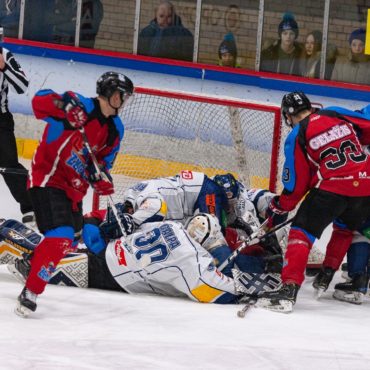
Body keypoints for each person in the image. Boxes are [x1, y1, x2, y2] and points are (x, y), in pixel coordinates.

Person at [14, 71, 134, 317]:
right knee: (60, 237)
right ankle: (30, 292)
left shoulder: (115, 129)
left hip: (73, 189)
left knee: (72, 239)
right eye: (122, 95)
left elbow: (101, 165)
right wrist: (64, 106)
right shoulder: (79, 103)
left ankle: (30, 264)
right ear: (109, 94)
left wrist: (102, 179)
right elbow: (39, 102)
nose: (124, 100)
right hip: (48, 177)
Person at [4, 214, 282, 305]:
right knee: (31, 261)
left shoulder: (172, 226)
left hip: (102, 254)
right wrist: (247, 291)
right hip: (103, 275)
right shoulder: (190, 258)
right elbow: (210, 291)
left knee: (39, 247)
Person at [257, 91, 370, 313]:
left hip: (334, 187)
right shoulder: (336, 113)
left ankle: (287, 291)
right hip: (366, 185)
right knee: (347, 228)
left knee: (301, 232)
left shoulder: (297, 134)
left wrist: (280, 206)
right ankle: (328, 275)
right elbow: (366, 124)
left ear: (288, 116)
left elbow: (296, 185)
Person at [0, 26, 33, 224]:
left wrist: (4, 67)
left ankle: (31, 205)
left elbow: (22, 86)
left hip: (1, 120)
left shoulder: (6, 56)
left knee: (9, 165)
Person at [121, 170, 230, 230]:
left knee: (213, 232)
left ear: (130, 210)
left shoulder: (146, 199)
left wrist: (132, 223)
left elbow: (157, 207)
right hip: (194, 195)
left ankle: (227, 271)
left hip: (204, 191)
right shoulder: (131, 195)